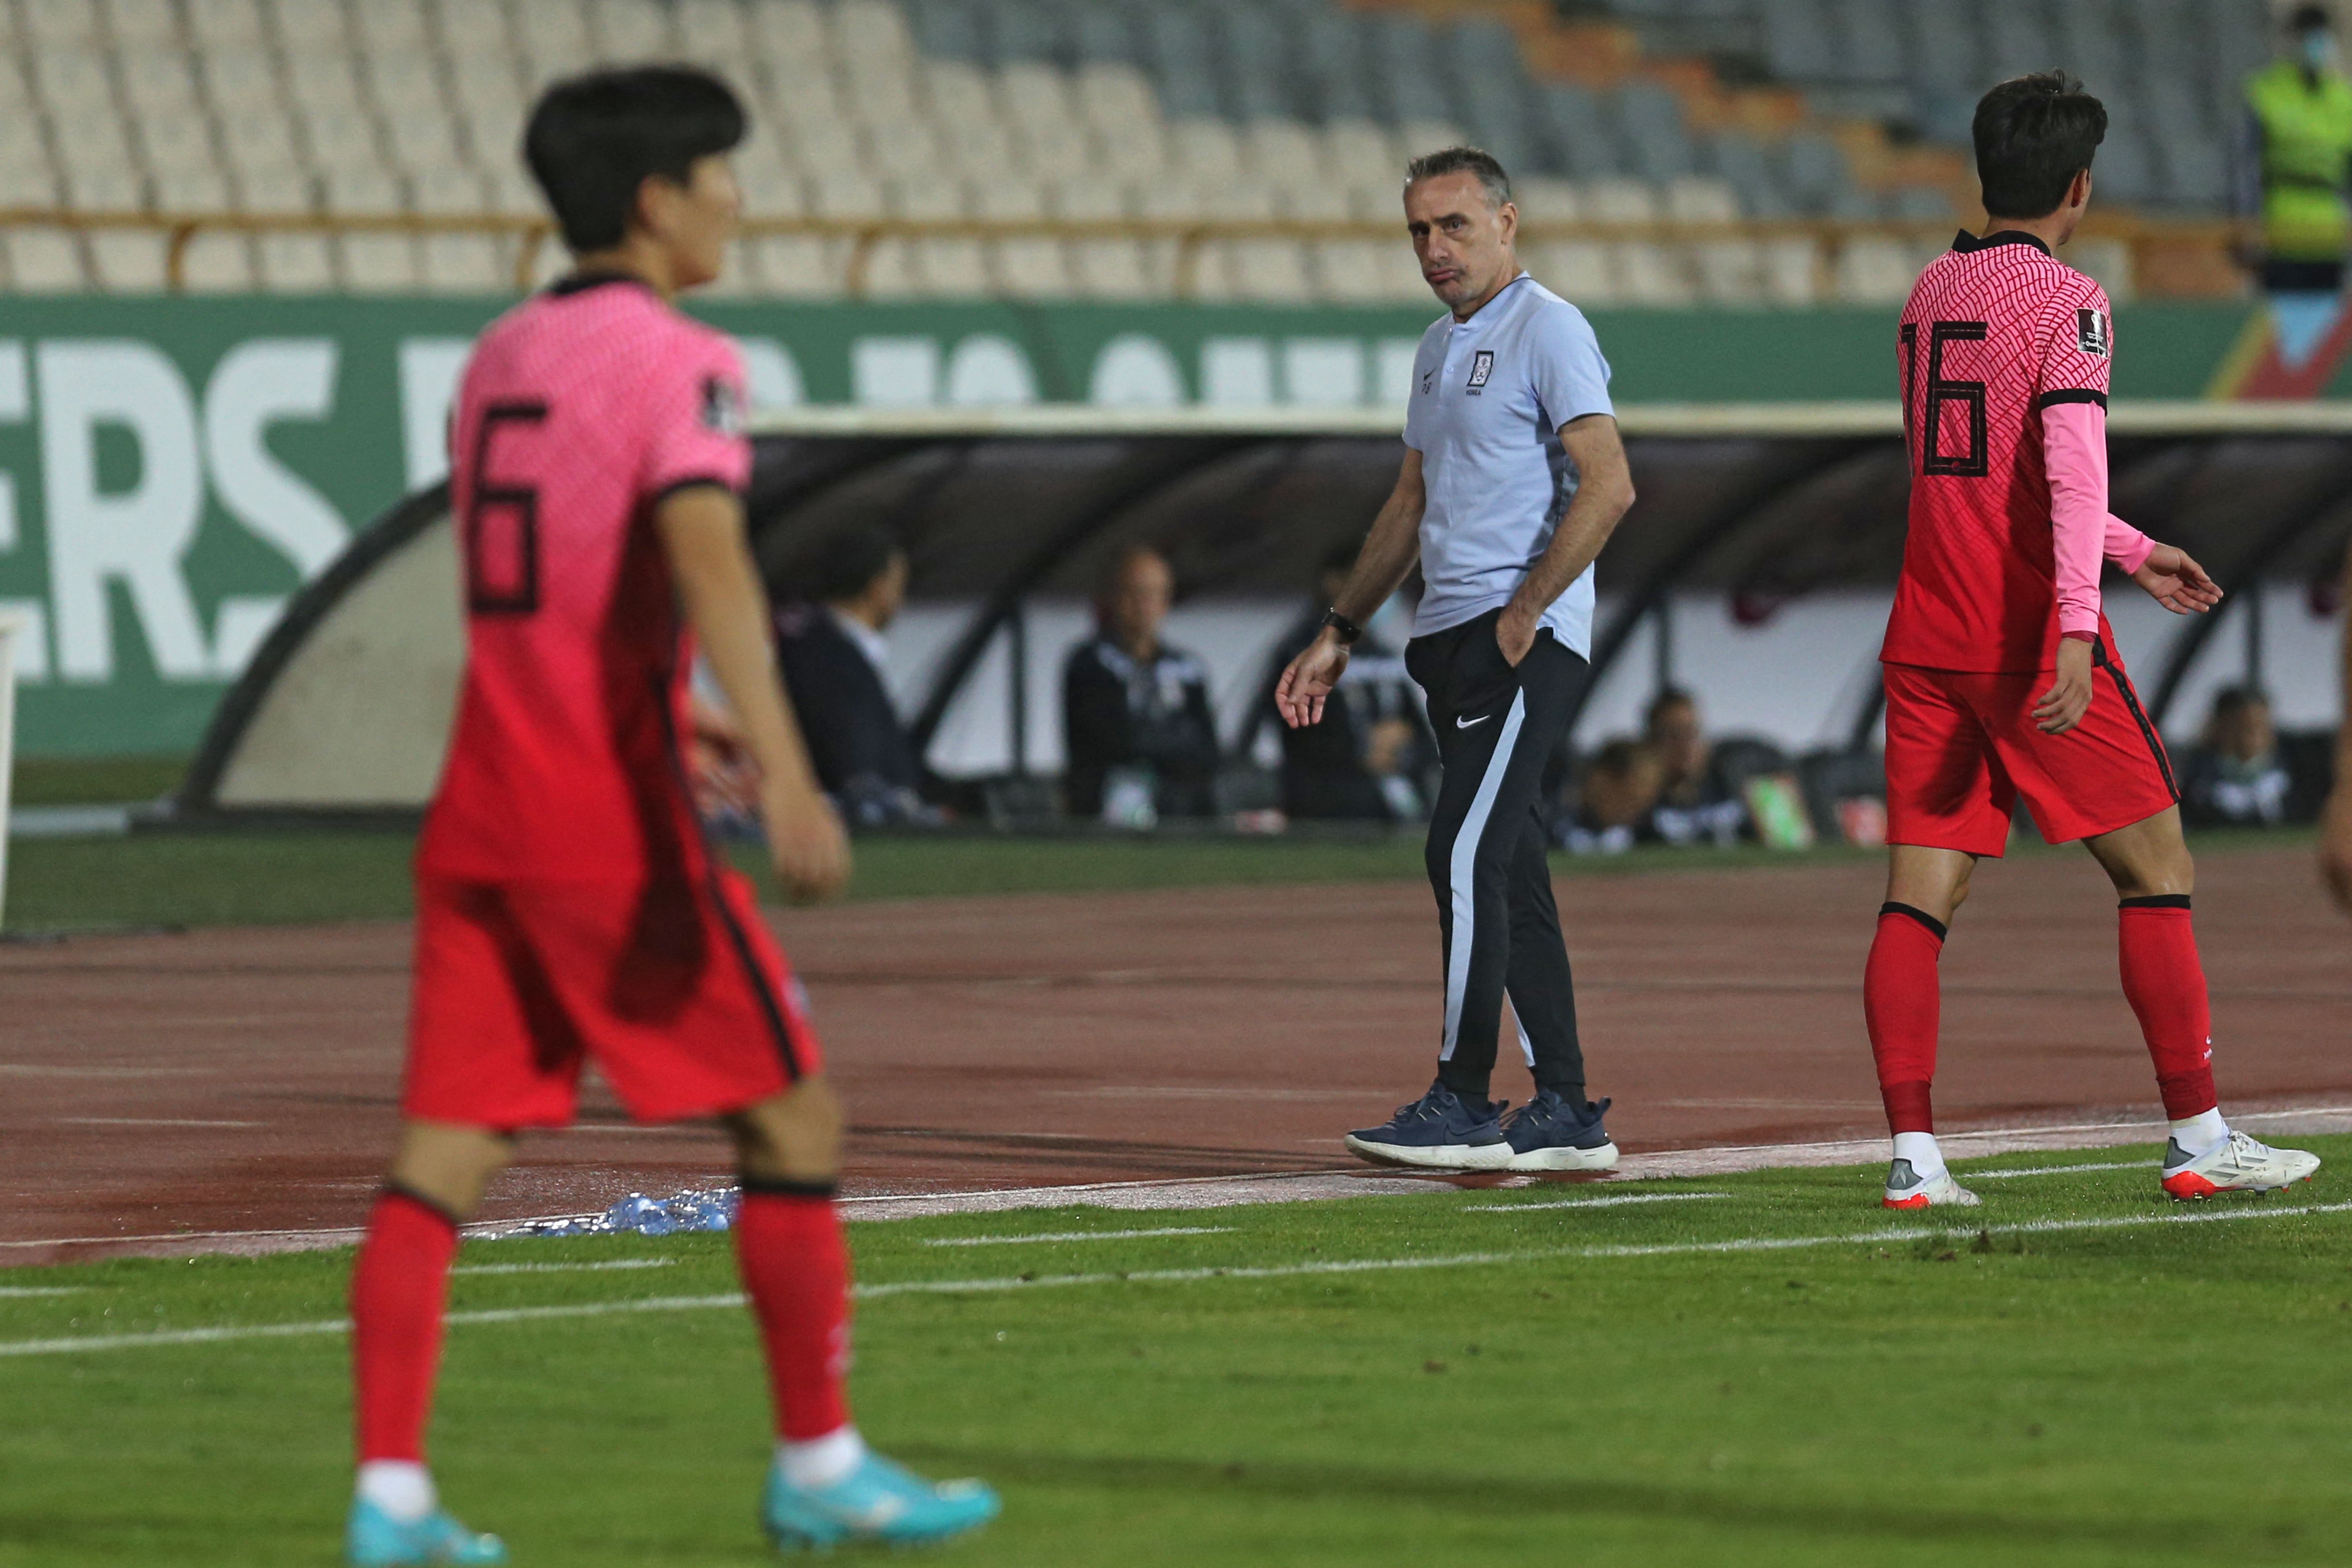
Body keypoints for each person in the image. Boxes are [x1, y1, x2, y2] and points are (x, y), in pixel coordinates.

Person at [343, 69, 995, 1567]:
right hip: (601, 825)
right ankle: (819, 1463)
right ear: (655, 198)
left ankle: (389, 1502)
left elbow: (550, 580)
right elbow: (707, 566)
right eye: (719, 174)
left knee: (439, 1155)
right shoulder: (683, 357)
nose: (735, 201)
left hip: (482, 806)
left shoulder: (499, 352)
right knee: (792, 1110)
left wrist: (662, 701)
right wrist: (791, 764)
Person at [1866, 73, 2318, 1212]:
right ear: (2079, 187)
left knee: (1917, 898)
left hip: (1925, 639)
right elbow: (2065, 468)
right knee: (2157, 871)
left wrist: (2128, 548)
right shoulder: (2069, 300)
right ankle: (2198, 1135)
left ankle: (1914, 1159)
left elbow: (1972, 472)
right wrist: (2076, 621)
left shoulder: (1928, 291)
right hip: (2023, 640)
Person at [1278, 145, 1637, 1174]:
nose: (1434, 249)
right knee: (1509, 863)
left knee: (1462, 852)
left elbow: (1607, 483)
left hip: (1514, 639)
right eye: (1418, 232)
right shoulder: (1437, 347)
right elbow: (1408, 504)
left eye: (1453, 226)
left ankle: (1462, 1099)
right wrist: (1339, 629)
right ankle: (1566, 1109)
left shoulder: (1547, 325)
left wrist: (1524, 613)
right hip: (1448, 641)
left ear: (1506, 222)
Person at [773, 524, 935, 827]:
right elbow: (853, 757)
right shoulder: (829, 655)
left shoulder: (807, 642)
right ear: (878, 588)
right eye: (899, 585)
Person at [1259, 539, 1432, 820]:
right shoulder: (1301, 652)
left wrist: (1404, 748)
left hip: (1392, 807)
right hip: (1325, 810)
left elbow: (1423, 738)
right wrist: (1364, 748)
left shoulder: (1386, 656)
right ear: (1334, 584)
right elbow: (1292, 735)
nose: (1384, 593)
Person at [1062, 545, 1221, 823]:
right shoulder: (1091, 664)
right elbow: (1111, 739)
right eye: (1134, 592)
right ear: (1113, 596)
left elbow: (1206, 746)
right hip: (1108, 806)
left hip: (1178, 808)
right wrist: (1174, 743)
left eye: (1153, 593)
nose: (1143, 604)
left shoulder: (1188, 669)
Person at [2239, 6, 2352, 299]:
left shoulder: (2344, 100)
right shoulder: (2265, 93)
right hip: (2280, 230)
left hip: (2331, 234)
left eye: (2322, 36)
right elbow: (2245, 168)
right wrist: (2248, 227)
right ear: (2292, 41)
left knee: (2326, 330)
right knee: (2280, 325)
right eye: (2308, 36)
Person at [1643, 687, 1746, 847]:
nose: (1685, 746)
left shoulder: (1731, 778)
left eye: (1692, 733)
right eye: (1673, 735)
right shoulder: (1640, 799)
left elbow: (1790, 838)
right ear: (1651, 741)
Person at [2180, 685, 2293, 828]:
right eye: (2244, 726)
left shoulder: (2290, 769)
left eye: (2260, 726)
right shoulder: (2200, 775)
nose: (2254, 736)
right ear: (2220, 727)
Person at [1557, 737, 1662, 856]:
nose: (1633, 814)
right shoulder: (1552, 821)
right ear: (1600, 780)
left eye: (1641, 805)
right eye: (1629, 800)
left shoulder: (1645, 835)